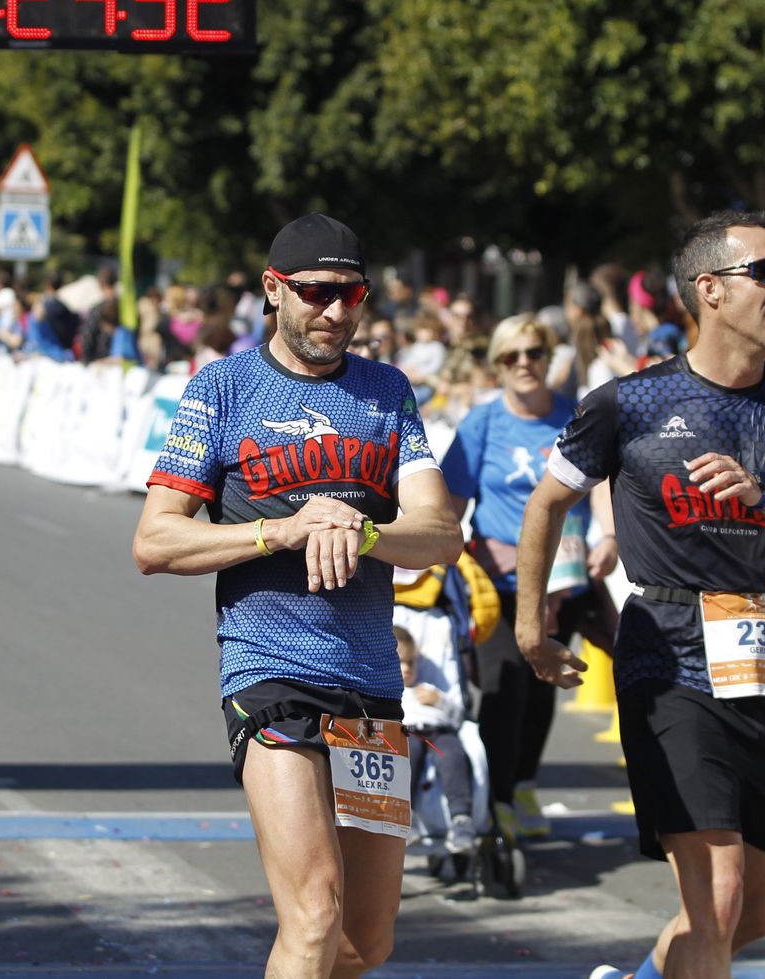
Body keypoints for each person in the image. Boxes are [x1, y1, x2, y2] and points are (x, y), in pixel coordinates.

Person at [132, 212, 462, 979]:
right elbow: (154, 540)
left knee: (364, 939)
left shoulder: (386, 391)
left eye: (352, 294)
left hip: (373, 684)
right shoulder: (223, 388)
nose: (336, 312)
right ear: (274, 291)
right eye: (316, 293)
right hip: (270, 671)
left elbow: (440, 532)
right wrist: (280, 531)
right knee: (313, 911)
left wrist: (367, 531)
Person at [516, 211, 765, 979]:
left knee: (751, 913)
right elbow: (545, 504)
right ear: (709, 290)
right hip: (667, 654)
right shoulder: (625, 404)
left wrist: (763, 494)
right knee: (717, 897)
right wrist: (533, 627)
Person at [439, 312, 616, 842]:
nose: (523, 365)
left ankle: (522, 785)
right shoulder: (482, 424)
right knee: (503, 684)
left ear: (548, 358)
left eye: (533, 354)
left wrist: (609, 537)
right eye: (510, 357)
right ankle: (493, 800)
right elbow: (449, 505)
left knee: (545, 685)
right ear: (496, 366)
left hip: (564, 580)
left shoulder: (577, 415)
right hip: (500, 578)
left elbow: (601, 483)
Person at [393, 624, 473, 855]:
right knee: (408, 755)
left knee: (453, 757)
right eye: (400, 662)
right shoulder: (391, 694)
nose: (407, 669)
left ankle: (461, 818)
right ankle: (406, 815)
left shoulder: (427, 688)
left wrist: (440, 701)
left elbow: (458, 715)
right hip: (409, 732)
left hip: (440, 731)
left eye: (411, 663)